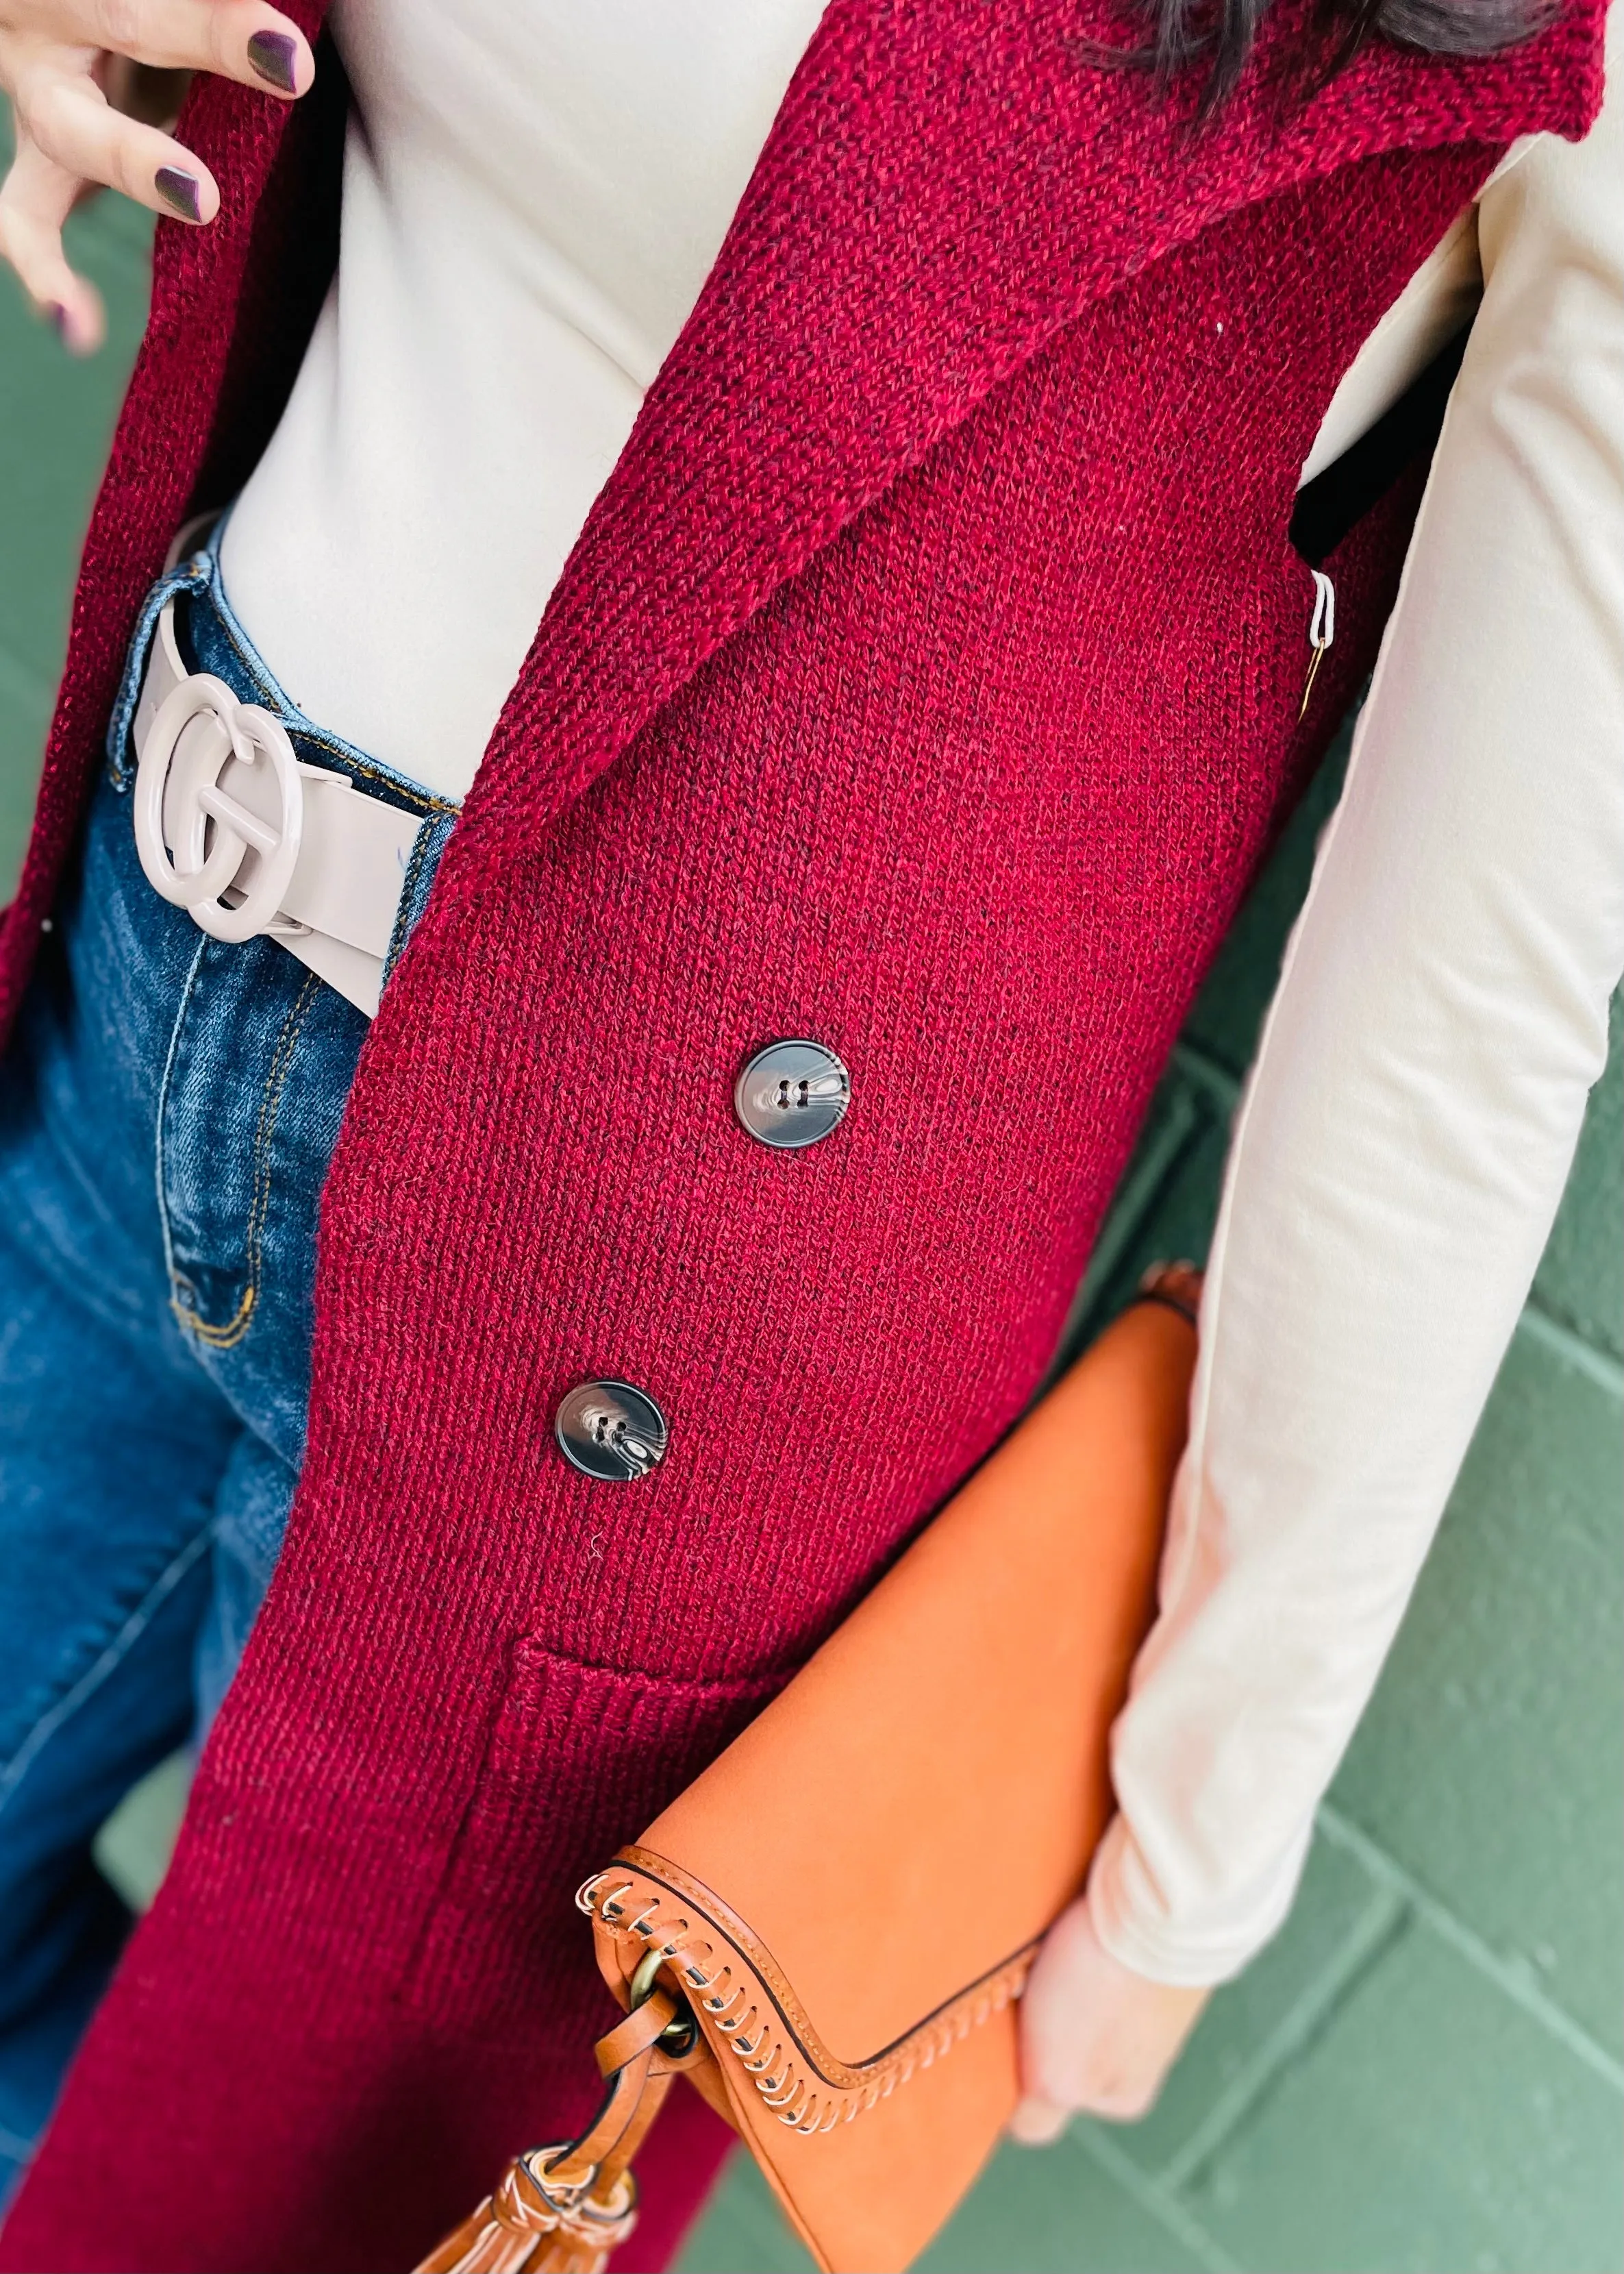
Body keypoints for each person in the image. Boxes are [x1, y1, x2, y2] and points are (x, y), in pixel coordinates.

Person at [0, 0, 1616, 2264]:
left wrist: (1194, 1844)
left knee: (246, 2226)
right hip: (128, 977)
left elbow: (1464, 999)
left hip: (636, 1390)